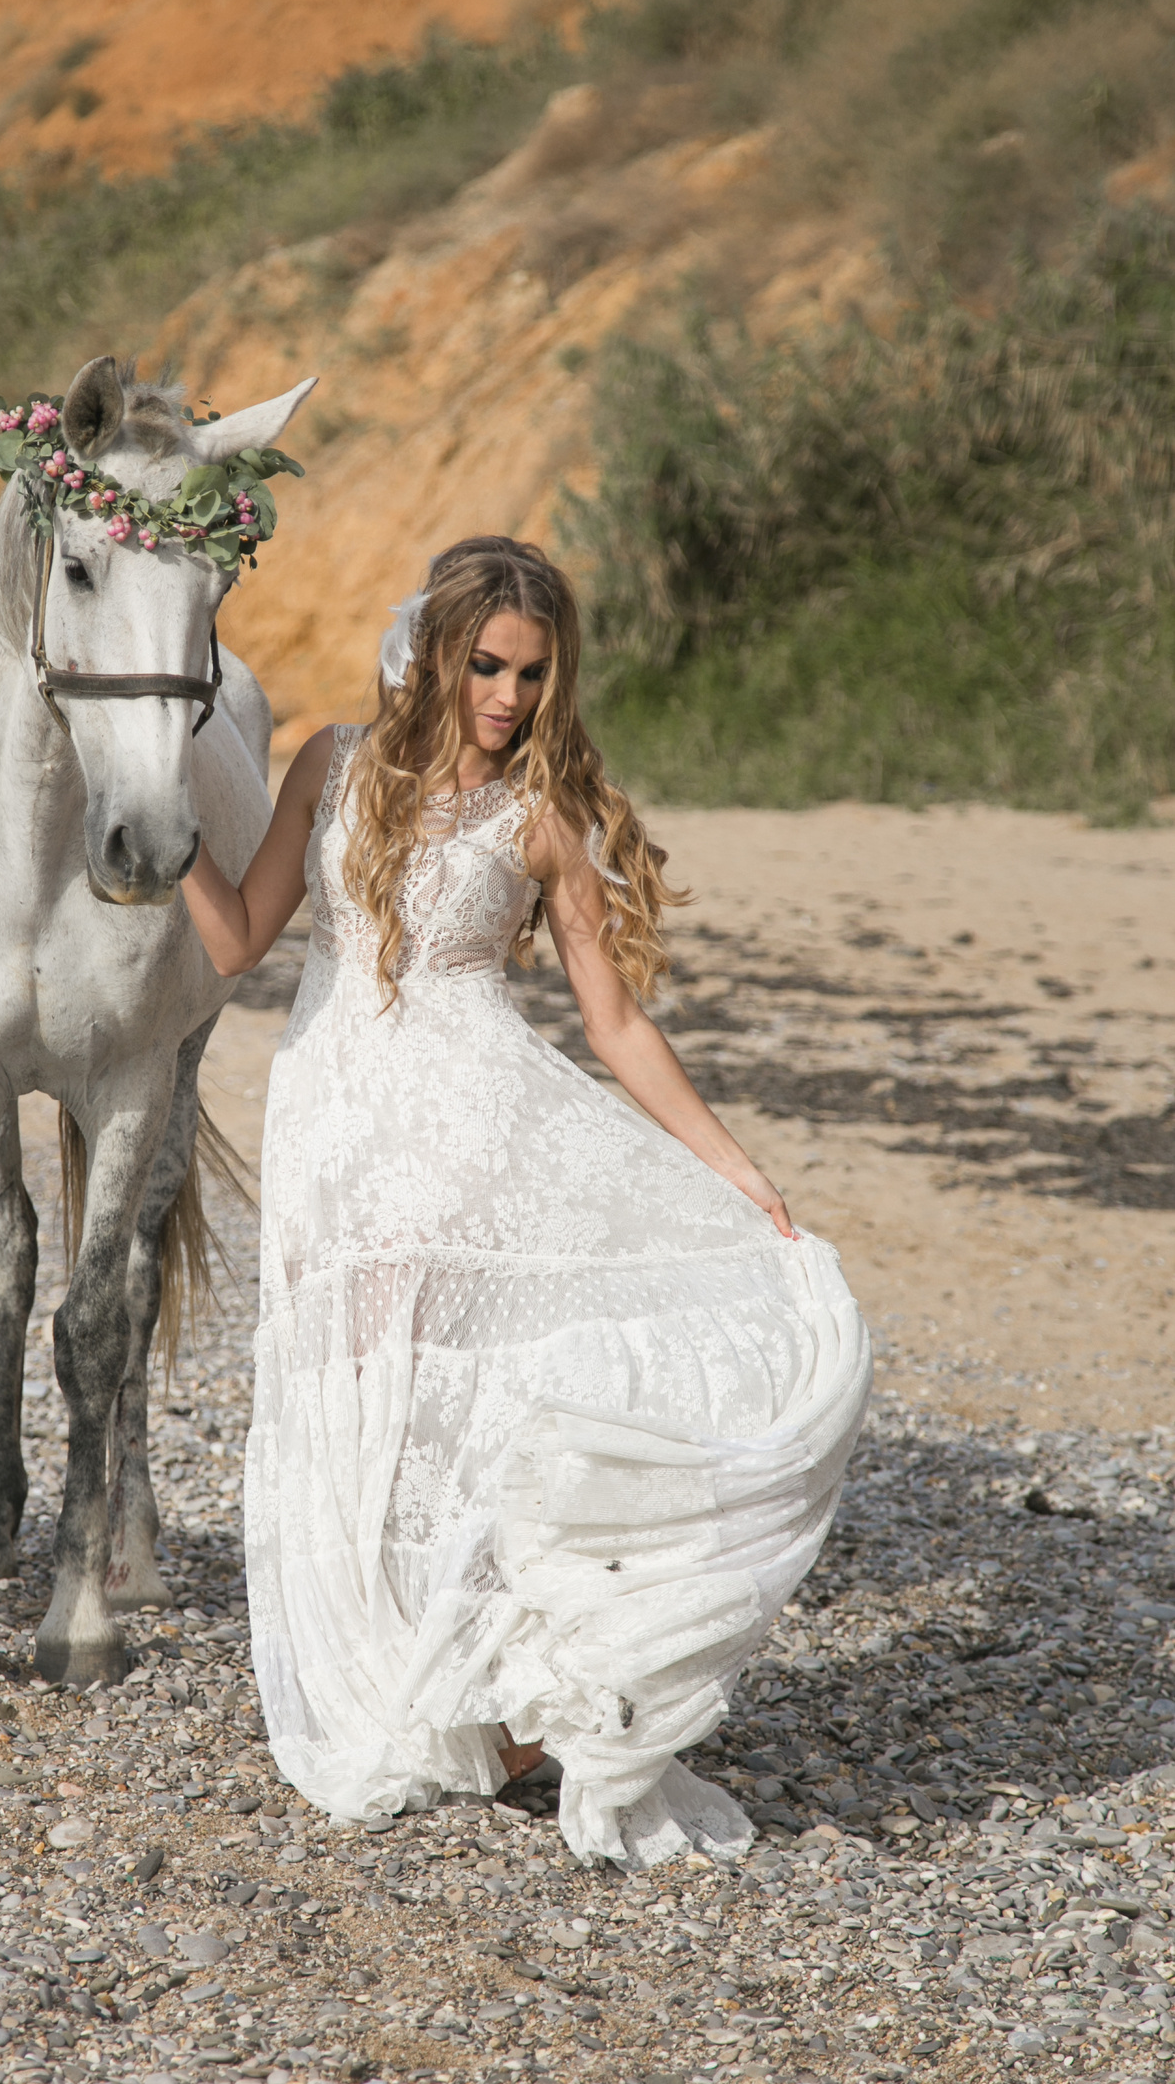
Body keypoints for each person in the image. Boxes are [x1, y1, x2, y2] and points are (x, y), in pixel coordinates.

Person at [180, 535, 870, 1868]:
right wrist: (157, 840)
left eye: (530, 674)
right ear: (438, 650)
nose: (504, 695)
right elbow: (236, 940)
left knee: (455, 1406)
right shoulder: (331, 762)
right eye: (487, 664)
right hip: (333, 1119)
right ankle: (418, 1694)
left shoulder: (536, 818)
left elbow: (612, 1023)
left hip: (474, 1126)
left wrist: (737, 1171)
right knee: (357, 1400)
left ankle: (504, 1704)